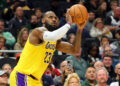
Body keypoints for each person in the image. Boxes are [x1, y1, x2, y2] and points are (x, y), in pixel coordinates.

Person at [10, 10, 87, 86]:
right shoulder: (38, 31)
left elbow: (75, 50)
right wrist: (69, 23)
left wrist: (79, 29)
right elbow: (52, 36)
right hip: (22, 76)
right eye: (50, 17)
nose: (54, 19)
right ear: (43, 20)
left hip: (36, 80)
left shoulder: (54, 41)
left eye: (55, 18)